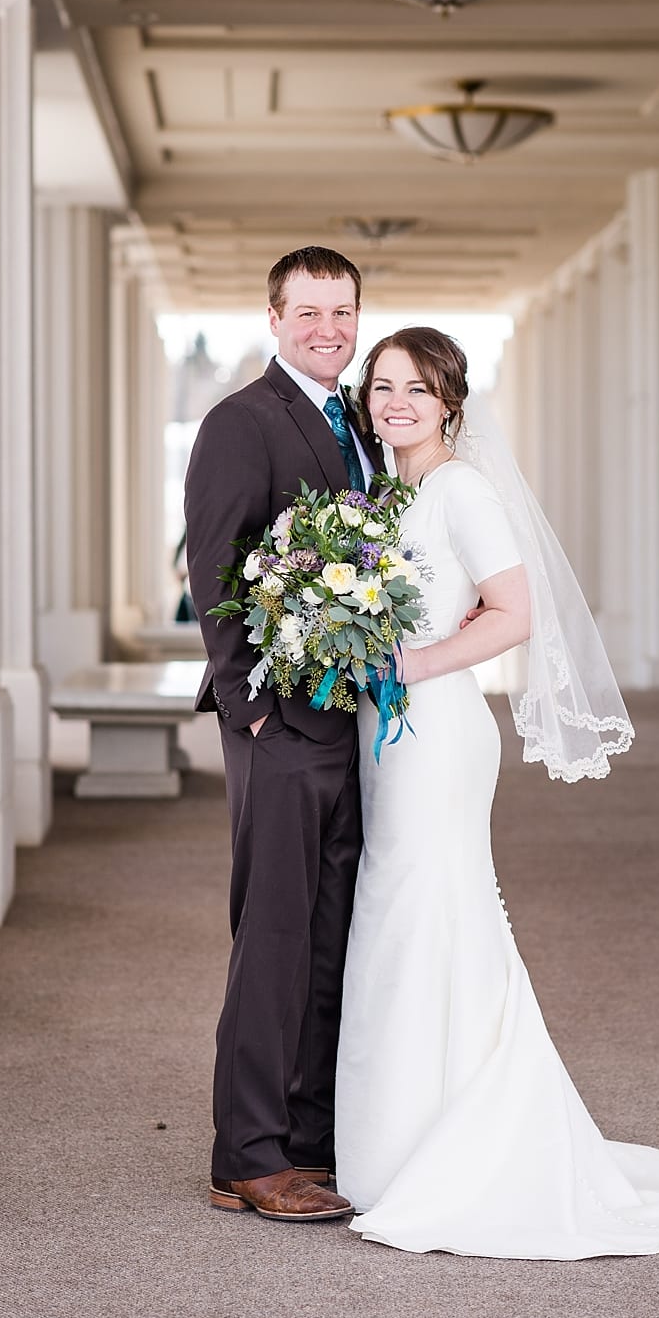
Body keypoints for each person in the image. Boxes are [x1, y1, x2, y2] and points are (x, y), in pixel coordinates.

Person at [330, 327, 659, 1258]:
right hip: (386, 730)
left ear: (450, 401)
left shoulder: (463, 491)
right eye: (382, 386)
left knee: (430, 911)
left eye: (415, 387)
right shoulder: (384, 495)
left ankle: (460, 1143)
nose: (394, 402)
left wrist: (416, 660)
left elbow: (514, 613)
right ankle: (396, 1139)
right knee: (399, 914)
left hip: (434, 733)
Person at [183, 247, 380, 1223]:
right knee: (273, 932)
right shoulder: (240, 421)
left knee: (330, 926)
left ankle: (306, 1136)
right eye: (308, 312)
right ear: (275, 318)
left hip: (348, 721)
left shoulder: (358, 426)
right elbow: (214, 571)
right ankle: (247, 1153)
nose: (327, 329)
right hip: (277, 722)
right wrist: (250, 708)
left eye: (341, 312)